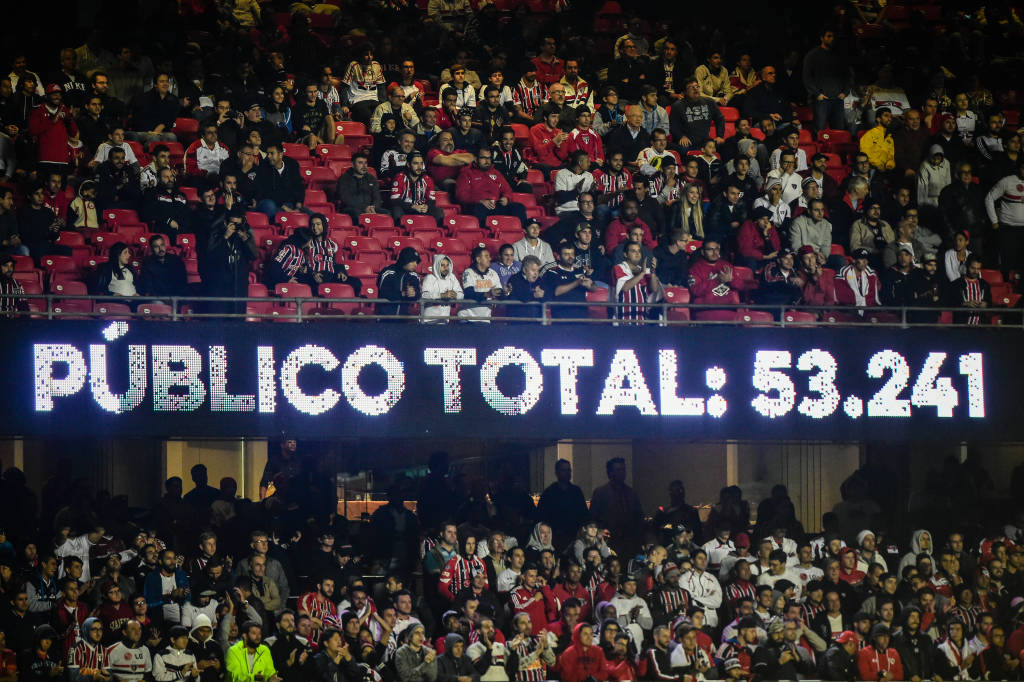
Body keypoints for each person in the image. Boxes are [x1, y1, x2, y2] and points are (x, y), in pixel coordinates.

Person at [205, 207, 259, 316]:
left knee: (238, 318)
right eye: (233, 223)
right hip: (221, 285)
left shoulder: (245, 234)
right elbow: (211, 256)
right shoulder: (217, 234)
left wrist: (245, 238)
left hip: (239, 285)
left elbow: (254, 256)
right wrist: (225, 236)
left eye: (238, 224)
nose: (235, 227)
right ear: (226, 223)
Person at [454, 148, 527, 227]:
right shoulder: (466, 173)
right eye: (483, 158)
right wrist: (480, 201)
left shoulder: (496, 173)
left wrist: (506, 198)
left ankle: (522, 231)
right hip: (477, 206)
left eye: (489, 158)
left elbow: (507, 190)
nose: (487, 161)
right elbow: (461, 195)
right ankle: (484, 233)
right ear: (475, 159)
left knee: (519, 207)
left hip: (495, 205)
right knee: (478, 208)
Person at [802, 29, 849, 132]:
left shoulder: (839, 55)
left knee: (839, 130)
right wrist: (817, 94)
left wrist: (845, 92)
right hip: (822, 100)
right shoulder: (812, 55)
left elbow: (847, 75)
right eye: (829, 36)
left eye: (833, 36)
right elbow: (807, 77)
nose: (832, 39)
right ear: (822, 38)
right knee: (820, 130)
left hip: (837, 99)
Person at [985, 159, 1024, 273]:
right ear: (1019, 168)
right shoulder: (1007, 181)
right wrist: (994, 221)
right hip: (1008, 229)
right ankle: (1006, 283)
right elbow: (989, 198)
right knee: (1008, 262)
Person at [541, 241, 598, 320]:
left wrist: (591, 285)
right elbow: (556, 291)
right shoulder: (552, 272)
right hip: (562, 317)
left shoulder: (579, 270)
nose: (570, 257)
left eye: (572, 254)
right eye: (566, 254)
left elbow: (594, 289)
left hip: (582, 316)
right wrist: (577, 282)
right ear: (558, 257)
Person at [611, 241, 662, 322]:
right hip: (623, 321)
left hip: (641, 321)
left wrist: (652, 272)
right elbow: (625, 287)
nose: (637, 254)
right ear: (625, 254)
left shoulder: (645, 271)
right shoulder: (618, 268)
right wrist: (642, 274)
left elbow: (654, 289)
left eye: (639, 251)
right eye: (633, 251)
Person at [390, 151, 443, 225]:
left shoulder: (427, 179)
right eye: (415, 163)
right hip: (406, 209)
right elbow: (394, 200)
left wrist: (426, 206)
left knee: (438, 212)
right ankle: (401, 231)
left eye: (421, 163)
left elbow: (432, 200)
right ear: (408, 164)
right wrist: (413, 206)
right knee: (396, 210)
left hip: (421, 209)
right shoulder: (399, 178)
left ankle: (435, 231)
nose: (419, 167)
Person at [253, 143, 304, 219]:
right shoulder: (263, 167)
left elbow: (298, 185)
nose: (268, 156)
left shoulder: (292, 164)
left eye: (272, 153)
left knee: (312, 216)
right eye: (267, 153)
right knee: (271, 207)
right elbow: (266, 193)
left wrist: (298, 205)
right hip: (271, 203)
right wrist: (285, 208)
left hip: (289, 203)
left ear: (280, 155)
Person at [337, 152, 383, 223]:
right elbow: (346, 199)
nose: (364, 166)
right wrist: (364, 208)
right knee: (358, 215)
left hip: (370, 209)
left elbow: (377, 197)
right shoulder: (344, 179)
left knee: (386, 214)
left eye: (365, 163)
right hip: (351, 208)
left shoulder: (371, 178)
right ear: (353, 165)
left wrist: (373, 207)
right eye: (360, 163)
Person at [459, 246, 503, 321]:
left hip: (485, 319)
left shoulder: (493, 273)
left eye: (489, 256)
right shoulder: (468, 272)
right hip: (467, 319)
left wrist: (505, 291)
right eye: (486, 256)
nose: (490, 259)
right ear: (478, 259)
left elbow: (499, 292)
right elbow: (469, 293)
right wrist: (488, 294)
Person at [376, 247, 421, 318]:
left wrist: (414, 294)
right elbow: (383, 292)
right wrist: (403, 294)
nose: (415, 264)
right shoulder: (388, 272)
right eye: (412, 261)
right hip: (385, 318)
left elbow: (418, 294)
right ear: (404, 260)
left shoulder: (414, 276)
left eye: (416, 262)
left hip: (404, 319)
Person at [138, 234, 187, 299]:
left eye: (162, 245)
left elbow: (182, 282)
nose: (160, 249)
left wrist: (175, 298)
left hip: (175, 297)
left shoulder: (176, 260)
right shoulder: (147, 263)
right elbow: (148, 287)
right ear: (151, 249)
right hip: (157, 298)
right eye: (156, 247)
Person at [948, 254, 991, 325]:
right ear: (967, 266)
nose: (975, 271)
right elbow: (950, 304)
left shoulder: (985, 285)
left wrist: (986, 304)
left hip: (981, 327)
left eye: (978, 269)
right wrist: (965, 304)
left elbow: (990, 303)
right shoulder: (956, 284)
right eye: (973, 268)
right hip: (962, 327)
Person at [421, 254, 464, 322]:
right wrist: (442, 295)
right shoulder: (429, 278)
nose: (445, 268)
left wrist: (455, 295)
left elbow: (461, 295)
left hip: (445, 320)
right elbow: (424, 295)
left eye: (447, 265)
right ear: (437, 266)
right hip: (429, 321)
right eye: (442, 265)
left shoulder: (452, 277)